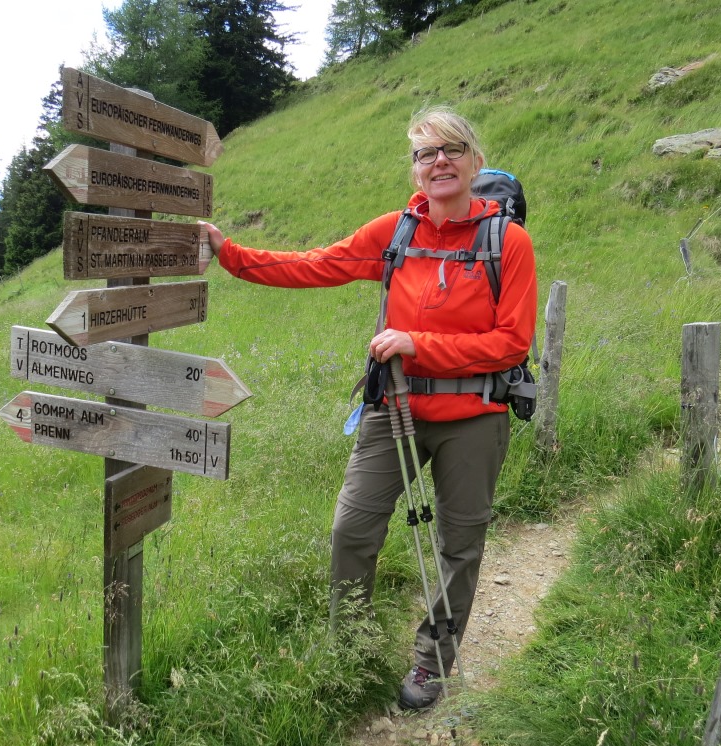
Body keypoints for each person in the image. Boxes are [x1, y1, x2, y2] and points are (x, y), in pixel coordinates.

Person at [201, 105, 537, 710]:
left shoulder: (507, 243)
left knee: (459, 545)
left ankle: (432, 662)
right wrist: (231, 254)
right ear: (415, 170)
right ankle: (349, 649)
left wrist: (417, 344)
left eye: (452, 149)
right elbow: (316, 265)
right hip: (394, 408)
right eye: (426, 153)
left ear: (475, 161)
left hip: (475, 417)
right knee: (352, 529)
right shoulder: (395, 234)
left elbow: (511, 343)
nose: (440, 161)